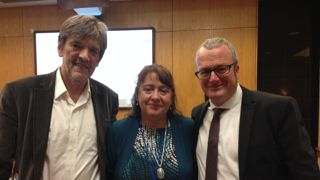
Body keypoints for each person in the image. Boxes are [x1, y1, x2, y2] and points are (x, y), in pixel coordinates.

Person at [0, 15, 119, 180]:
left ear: (98, 59)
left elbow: (110, 160)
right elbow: (2, 161)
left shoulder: (108, 99)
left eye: (93, 50)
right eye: (77, 45)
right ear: (60, 48)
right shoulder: (19, 94)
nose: (85, 56)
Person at [192, 37, 320, 180]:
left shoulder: (278, 110)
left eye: (221, 69)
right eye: (204, 72)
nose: (213, 78)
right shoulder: (197, 115)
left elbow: (305, 172)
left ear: (236, 70)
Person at [106, 64, 194, 180]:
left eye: (163, 91)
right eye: (148, 89)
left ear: (171, 98)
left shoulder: (188, 129)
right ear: (137, 95)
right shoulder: (117, 131)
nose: (156, 97)